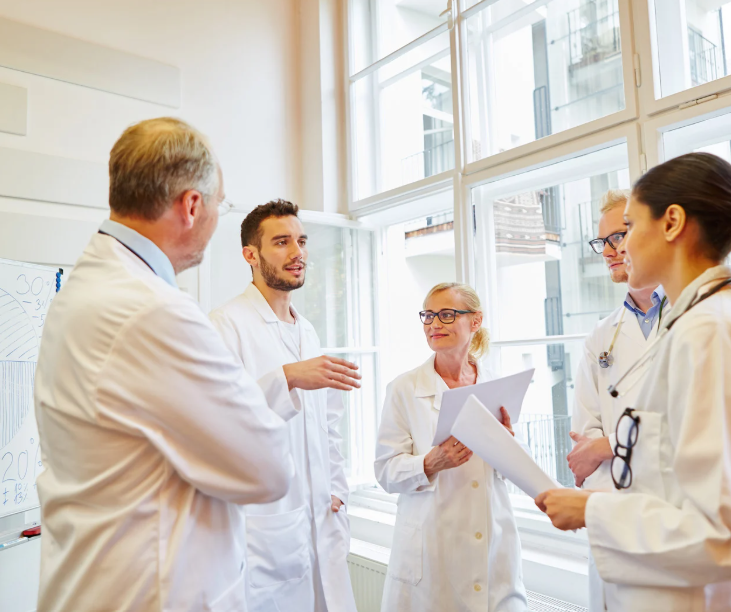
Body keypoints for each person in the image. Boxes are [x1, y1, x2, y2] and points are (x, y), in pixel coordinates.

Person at [33, 118, 348, 612]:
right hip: (149, 589)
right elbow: (266, 466)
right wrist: (283, 382)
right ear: (192, 205)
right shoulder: (153, 310)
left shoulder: (96, 287)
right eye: (219, 204)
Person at [537, 152, 731, 611]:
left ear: (671, 223)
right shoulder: (699, 321)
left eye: (629, 226)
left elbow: (717, 533)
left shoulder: (704, 329)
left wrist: (590, 510)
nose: (618, 247)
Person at [210, 200, 359, 612]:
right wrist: (287, 378)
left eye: (301, 241)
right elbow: (216, 421)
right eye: (282, 242)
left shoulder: (306, 330)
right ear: (250, 255)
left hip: (320, 519)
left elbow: (328, 427)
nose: (298, 253)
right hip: (265, 530)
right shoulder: (225, 325)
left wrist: (336, 490)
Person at [375, 282, 528, 612]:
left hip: (492, 541)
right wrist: (430, 462)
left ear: (475, 321)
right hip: (432, 550)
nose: (433, 324)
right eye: (428, 315)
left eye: (446, 314)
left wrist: (507, 446)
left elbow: (510, 472)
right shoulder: (404, 388)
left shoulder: (495, 385)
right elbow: (385, 471)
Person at [569, 190, 668, 611]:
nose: (609, 251)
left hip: (680, 519)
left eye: (619, 235)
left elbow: (702, 428)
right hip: (616, 523)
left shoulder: (705, 315)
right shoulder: (601, 337)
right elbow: (583, 440)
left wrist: (608, 446)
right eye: (602, 241)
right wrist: (597, 451)